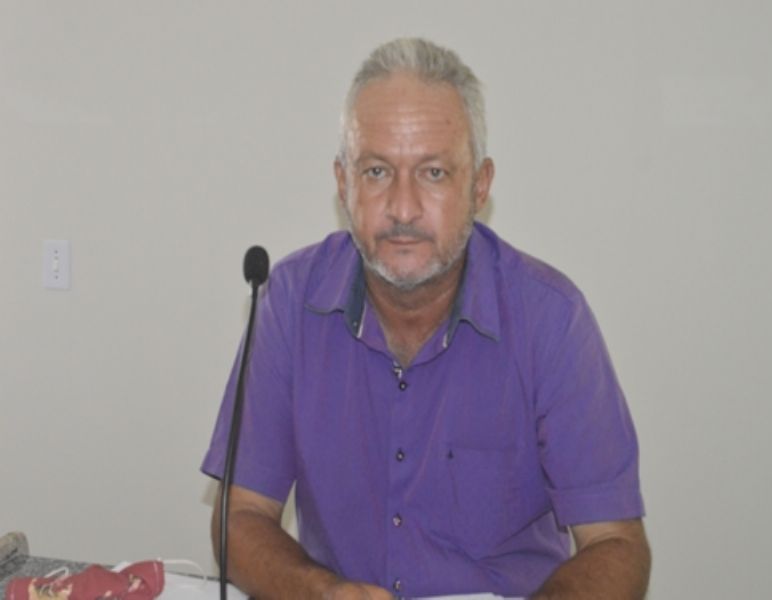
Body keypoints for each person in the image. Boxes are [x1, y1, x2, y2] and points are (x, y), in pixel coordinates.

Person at [202, 38, 650, 600]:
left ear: (479, 185)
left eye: (433, 173)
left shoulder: (550, 319)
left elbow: (615, 544)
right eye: (376, 172)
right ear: (343, 184)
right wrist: (318, 593)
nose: (403, 208)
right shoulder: (290, 303)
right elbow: (241, 515)